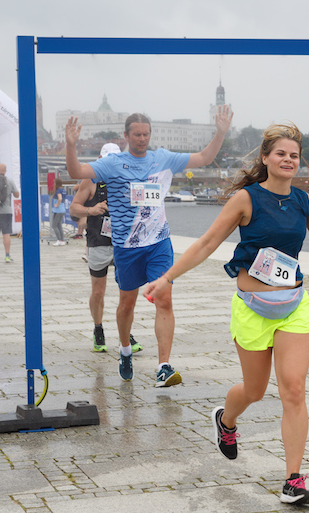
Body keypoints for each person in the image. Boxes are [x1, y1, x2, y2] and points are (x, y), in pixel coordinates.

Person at [143, 122, 309, 505]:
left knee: (293, 390)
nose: (288, 160)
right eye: (281, 154)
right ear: (266, 157)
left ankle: (293, 480)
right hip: (252, 309)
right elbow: (207, 243)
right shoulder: (246, 199)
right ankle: (226, 420)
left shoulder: (303, 201)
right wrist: (166, 278)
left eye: (294, 155)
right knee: (255, 391)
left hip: (293, 308)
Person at [65, 106, 233, 386]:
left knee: (163, 299)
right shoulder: (113, 163)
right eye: (137, 135)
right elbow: (75, 171)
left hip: (158, 243)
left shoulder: (163, 158)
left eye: (146, 134)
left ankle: (163, 366)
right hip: (127, 247)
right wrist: (71, 145)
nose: (142, 139)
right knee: (126, 304)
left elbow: (204, 157)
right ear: (126, 136)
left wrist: (220, 132)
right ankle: (125, 350)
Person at [70, 143, 143, 363]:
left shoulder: (128, 179)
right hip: (98, 241)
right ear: (100, 160)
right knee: (98, 291)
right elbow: (74, 208)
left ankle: (125, 335)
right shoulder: (90, 181)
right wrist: (91, 210)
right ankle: (98, 329)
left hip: (123, 242)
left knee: (127, 294)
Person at [51, 178, 68, 246]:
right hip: (62, 209)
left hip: (58, 210)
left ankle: (59, 240)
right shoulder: (63, 190)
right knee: (59, 225)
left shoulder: (58, 191)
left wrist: (57, 205)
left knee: (54, 225)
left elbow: (60, 198)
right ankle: (62, 240)